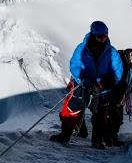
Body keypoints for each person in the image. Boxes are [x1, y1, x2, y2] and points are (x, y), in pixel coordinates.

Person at [50, 21, 123, 149]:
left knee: (100, 115)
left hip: (101, 89)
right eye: (100, 37)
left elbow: (118, 70)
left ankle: (97, 141)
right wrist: (84, 77)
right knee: (72, 110)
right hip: (83, 86)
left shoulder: (111, 52)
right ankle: (65, 135)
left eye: (105, 36)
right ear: (93, 35)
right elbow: (75, 65)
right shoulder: (82, 48)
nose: (103, 39)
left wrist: (108, 81)